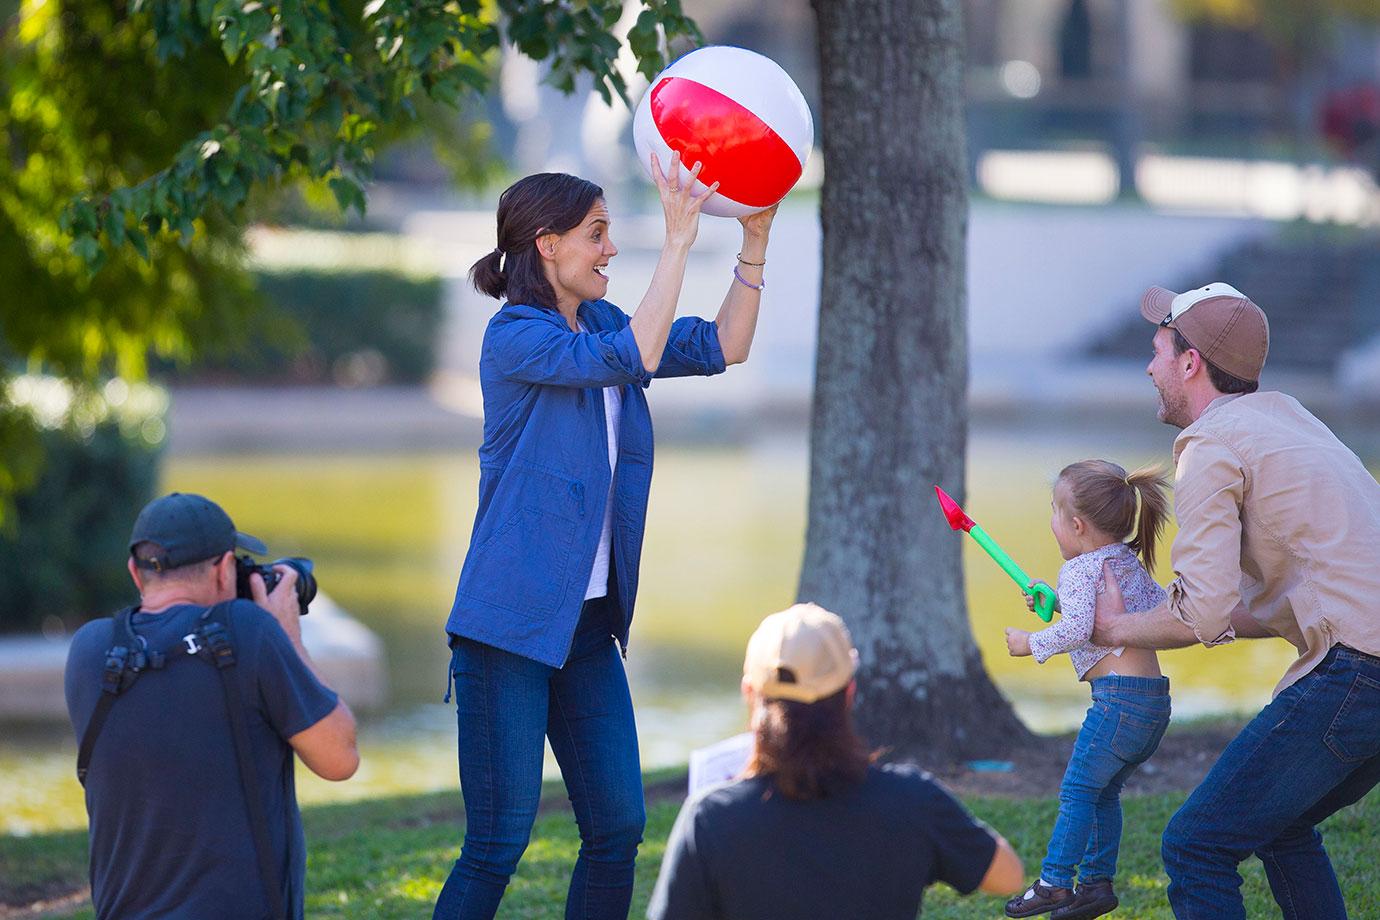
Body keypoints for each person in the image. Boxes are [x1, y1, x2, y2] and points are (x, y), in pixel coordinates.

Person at [435, 155, 776, 920]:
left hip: (587, 628)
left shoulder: (605, 321)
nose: (610, 250)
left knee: (618, 825)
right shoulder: (513, 337)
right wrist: (678, 243)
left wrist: (752, 243)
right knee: (496, 846)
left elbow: (727, 344)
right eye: (597, 234)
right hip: (509, 628)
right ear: (547, 245)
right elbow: (628, 360)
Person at [1091, 282, 1380, 920]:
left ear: (1189, 362)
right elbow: (1264, 604)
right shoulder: (1288, 419)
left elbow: (1204, 613)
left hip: (1360, 671)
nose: (1148, 366)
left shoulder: (1210, 445)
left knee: (1196, 843)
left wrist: (1113, 628)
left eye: (1158, 350)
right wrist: (1139, 618)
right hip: (1369, 666)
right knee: (1279, 825)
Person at [63, 492, 359, 920]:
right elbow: (340, 757)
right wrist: (287, 633)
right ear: (224, 568)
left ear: (134, 571)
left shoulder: (91, 649)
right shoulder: (248, 633)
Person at [647, 603, 1025, 920]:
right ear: (849, 693)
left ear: (751, 694)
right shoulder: (913, 800)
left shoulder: (709, 819)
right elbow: (1008, 876)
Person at [1002, 460, 1173, 920]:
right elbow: (1120, 615)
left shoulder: (1079, 568)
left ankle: (1055, 883)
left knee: (1078, 791)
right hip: (1152, 703)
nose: (1053, 523)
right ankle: (1096, 885)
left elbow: (1078, 630)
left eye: (1054, 512)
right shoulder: (1123, 560)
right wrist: (1056, 603)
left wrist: (1028, 643)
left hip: (1118, 703)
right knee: (1103, 793)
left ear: (1076, 525)